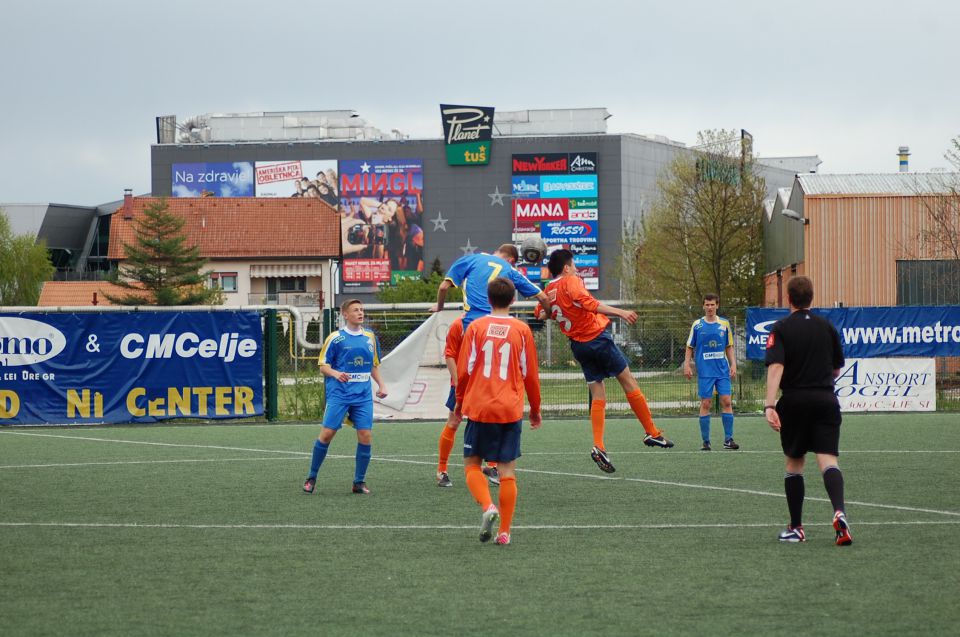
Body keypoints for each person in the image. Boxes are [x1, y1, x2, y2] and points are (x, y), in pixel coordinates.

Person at [535, 249, 673, 474]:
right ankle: (652, 433)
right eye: (574, 265)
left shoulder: (549, 290)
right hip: (596, 338)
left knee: (598, 394)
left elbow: (541, 314)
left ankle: (599, 446)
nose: (577, 269)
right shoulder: (571, 280)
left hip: (578, 346)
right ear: (567, 268)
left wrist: (550, 309)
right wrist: (621, 312)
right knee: (628, 380)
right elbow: (587, 302)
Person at [764, 275, 852, 546]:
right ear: (811, 298)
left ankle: (797, 528)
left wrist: (769, 404)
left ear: (788, 299)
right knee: (828, 461)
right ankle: (839, 512)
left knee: (795, 463)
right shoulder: (826, 327)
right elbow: (837, 368)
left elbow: (776, 367)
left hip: (795, 402)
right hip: (826, 399)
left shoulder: (780, 328)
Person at [454, 277, 542, 546]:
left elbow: (464, 370)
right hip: (510, 409)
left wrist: (459, 402)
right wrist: (536, 409)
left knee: (472, 465)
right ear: (513, 300)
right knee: (507, 471)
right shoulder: (522, 329)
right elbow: (530, 375)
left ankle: (487, 507)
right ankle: (504, 532)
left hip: (480, 407)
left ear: (488, 299)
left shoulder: (477, 327)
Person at [303, 299, 388, 495]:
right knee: (327, 434)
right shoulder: (335, 338)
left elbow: (373, 365)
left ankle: (359, 482)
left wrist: (382, 384)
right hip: (339, 393)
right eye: (356, 310)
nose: (360, 313)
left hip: (363, 395)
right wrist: (335, 374)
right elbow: (323, 366)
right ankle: (311, 477)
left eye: (362, 309)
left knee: (366, 435)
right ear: (345, 314)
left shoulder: (370, 337)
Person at [435, 315, 498, 488]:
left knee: (491, 421)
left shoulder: (491, 323)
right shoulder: (459, 324)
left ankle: (491, 466)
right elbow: (449, 355)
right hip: (462, 383)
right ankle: (442, 470)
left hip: (484, 384)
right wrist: (458, 384)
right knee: (454, 421)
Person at [431, 243, 550, 328]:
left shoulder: (471, 259)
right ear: (511, 260)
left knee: (471, 360)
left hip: (472, 322)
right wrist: (548, 314)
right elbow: (543, 297)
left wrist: (440, 307)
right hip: (498, 323)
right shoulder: (511, 270)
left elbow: (443, 287)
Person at [684, 293, 739, 451]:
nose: (709, 307)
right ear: (703, 306)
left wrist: (733, 364)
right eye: (707, 305)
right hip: (705, 371)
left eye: (712, 304)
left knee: (727, 401)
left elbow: (729, 346)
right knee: (706, 403)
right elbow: (689, 347)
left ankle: (728, 440)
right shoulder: (697, 325)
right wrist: (687, 365)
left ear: (717, 305)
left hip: (722, 370)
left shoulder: (724, 324)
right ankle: (706, 441)